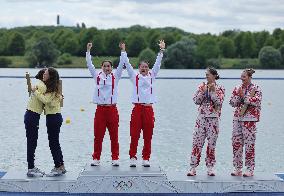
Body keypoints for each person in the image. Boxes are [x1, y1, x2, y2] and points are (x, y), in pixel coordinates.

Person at [122, 40, 166, 167]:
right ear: (139, 68)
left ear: (148, 68)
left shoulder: (152, 75)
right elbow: (128, 65)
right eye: (142, 67)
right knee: (134, 135)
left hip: (148, 109)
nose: (144, 69)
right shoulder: (134, 77)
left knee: (148, 135)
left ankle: (146, 158)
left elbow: (157, 64)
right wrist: (124, 51)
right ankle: (132, 157)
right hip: (137, 109)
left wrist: (161, 51)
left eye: (146, 67)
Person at [86, 42, 126, 166]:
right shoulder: (97, 76)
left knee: (114, 136)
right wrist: (88, 51)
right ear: (101, 67)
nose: (107, 68)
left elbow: (122, 64)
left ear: (111, 68)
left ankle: (115, 158)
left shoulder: (116, 76)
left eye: (109, 66)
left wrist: (123, 50)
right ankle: (96, 158)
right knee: (98, 136)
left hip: (112, 110)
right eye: (105, 66)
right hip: (100, 110)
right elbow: (89, 64)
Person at [187, 67, 225, 176]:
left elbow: (219, 102)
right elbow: (195, 101)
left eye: (208, 74)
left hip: (213, 119)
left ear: (214, 76)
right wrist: (203, 93)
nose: (206, 76)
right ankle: (193, 167)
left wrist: (212, 92)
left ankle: (210, 167)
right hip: (201, 119)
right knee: (197, 143)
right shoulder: (201, 86)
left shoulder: (220, 88)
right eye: (206, 74)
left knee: (211, 144)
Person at [32, 67, 65, 176]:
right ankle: (61, 166)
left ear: (50, 76)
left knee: (53, 143)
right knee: (55, 142)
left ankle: (58, 167)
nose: (43, 75)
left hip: (53, 118)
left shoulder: (53, 89)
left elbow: (46, 100)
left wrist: (35, 91)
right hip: (53, 117)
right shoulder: (53, 88)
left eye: (45, 74)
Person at [229, 68, 262, 177]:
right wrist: (238, 96)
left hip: (250, 119)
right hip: (237, 118)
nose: (241, 78)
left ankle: (249, 169)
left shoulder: (256, 88)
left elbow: (257, 101)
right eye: (241, 76)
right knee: (236, 143)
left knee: (249, 144)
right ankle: (237, 168)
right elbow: (232, 102)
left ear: (249, 77)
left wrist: (245, 97)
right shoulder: (237, 88)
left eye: (244, 77)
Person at [25, 69, 47, 177]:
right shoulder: (42, 85)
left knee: (32, 142)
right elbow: (45, 101)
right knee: (32, 142)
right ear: (43, 75)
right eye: (47, 73)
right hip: (32, 116)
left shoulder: (38, 83)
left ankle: (31, 166)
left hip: (31, 115)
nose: (49, 75)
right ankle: (30, 168)